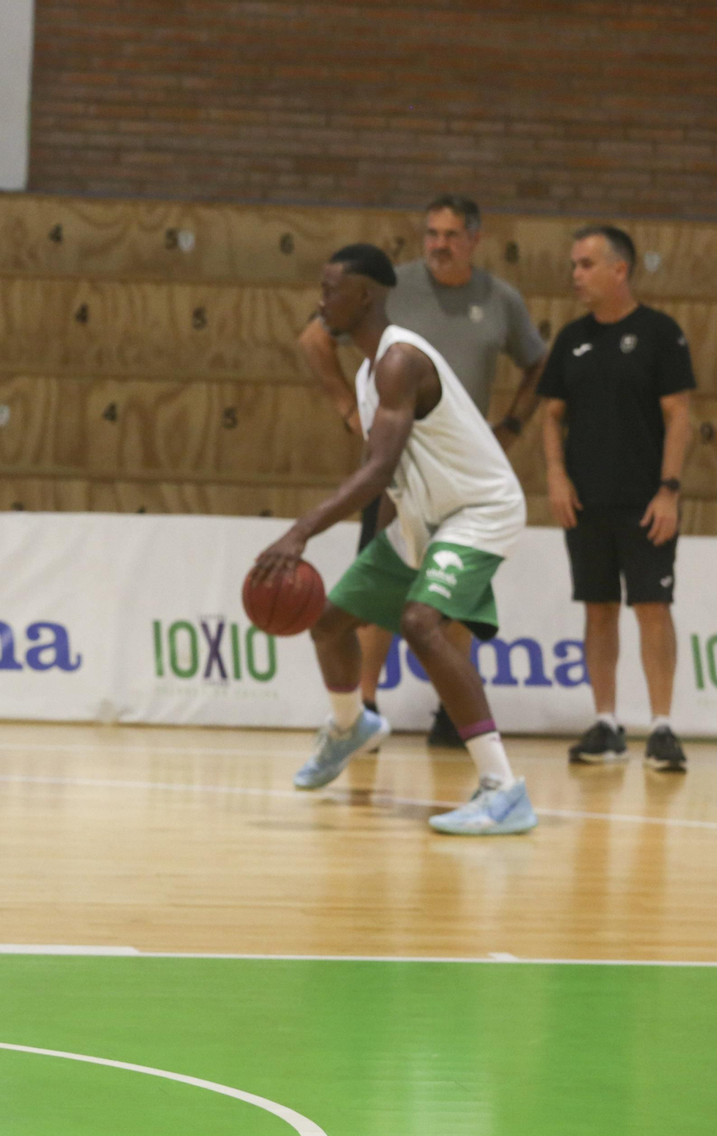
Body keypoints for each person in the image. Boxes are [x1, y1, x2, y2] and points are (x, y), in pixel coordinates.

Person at [256, 244, 535, 836]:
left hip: (479, 512)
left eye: (331, 288)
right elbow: (392, 475)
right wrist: (377, 559)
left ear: (365, 295)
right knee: (331, 621)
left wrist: (299, 532)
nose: (321, 299)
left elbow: (378, 468)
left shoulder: (399, 360)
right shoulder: (365, 373)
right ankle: (351, 724)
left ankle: (503, 788)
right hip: (424, 519)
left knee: (419, 623)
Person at [296, 195, 548, 748]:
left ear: (474, 239)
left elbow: (538, 362)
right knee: (360, 603)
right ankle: (360, 709)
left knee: (430, 612)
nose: (439, 243)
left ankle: (473, 746)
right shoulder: (386, 304)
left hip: (462, 478)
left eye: (451, 234)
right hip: (410, 478)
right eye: (431, 232)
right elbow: (315, 339)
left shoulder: (491, 304)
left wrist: (512, 427)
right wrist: (346, 407)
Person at [538, 226, 694, 772]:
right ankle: (606, 723)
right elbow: (552, 414)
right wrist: (556, 476)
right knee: (598, 609)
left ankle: (663, 727)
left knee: (653, 606)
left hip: (646, 501)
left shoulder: (659, 333)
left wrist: (669, 490)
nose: (576, 275)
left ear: (619, 269)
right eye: (574, 265)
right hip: (585, 501)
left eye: (585, 264)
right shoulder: (572, 339)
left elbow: (680, 416)